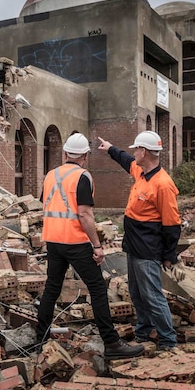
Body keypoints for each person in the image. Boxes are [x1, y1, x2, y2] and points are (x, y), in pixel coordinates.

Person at [37, 132, 145, 360]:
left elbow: (46, 205)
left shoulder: (50, 175)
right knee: (97, 288)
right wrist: (97, 246)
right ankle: (112, 343)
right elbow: (84, 214)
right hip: (75, 242)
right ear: (85, 156)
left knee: (51, 288)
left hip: (53, 241)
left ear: (65, 153)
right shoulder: (82, 177)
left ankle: (41, 340)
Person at [96, 131, 180, 350]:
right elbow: (126, 161)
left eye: (136, 149)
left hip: (148, 249)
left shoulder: (163, 184)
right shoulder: (141, 172)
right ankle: (143, 332)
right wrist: (110, 148)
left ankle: (168, 341)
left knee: (152, 295)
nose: (134, 153)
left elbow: (172, 224)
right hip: (133, 246)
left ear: (144, 151)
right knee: (136, 292)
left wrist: (170, 256)